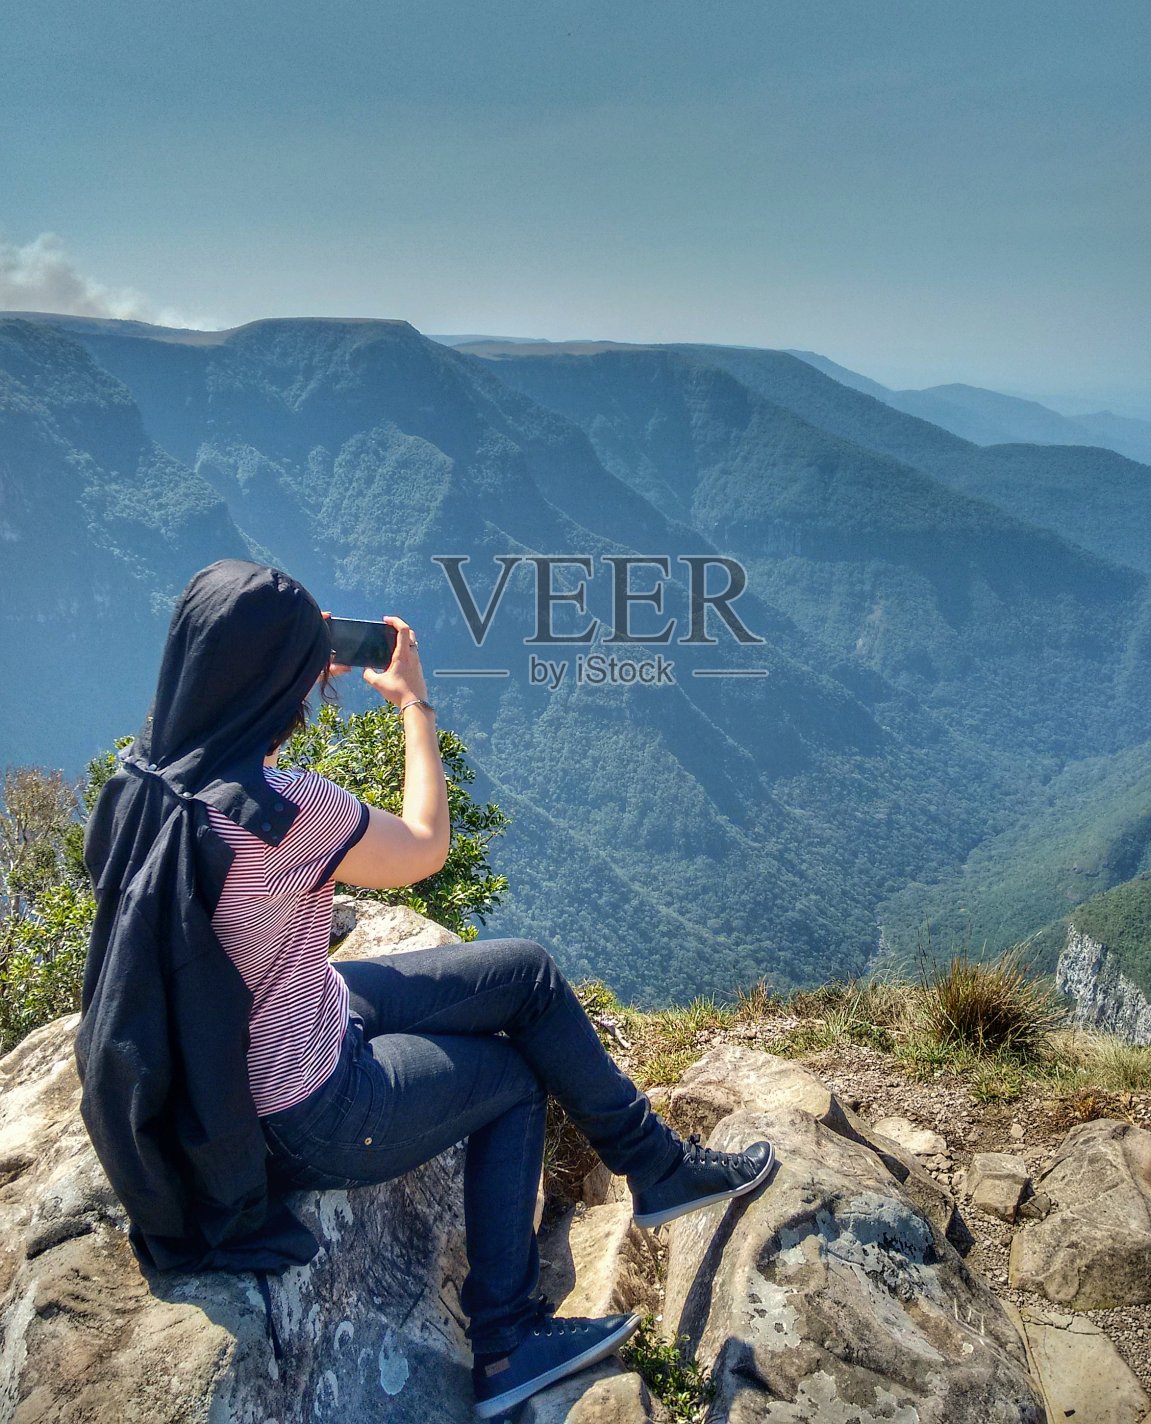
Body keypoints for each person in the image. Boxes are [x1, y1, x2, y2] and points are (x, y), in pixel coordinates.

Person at [78, 559, 775, 1421]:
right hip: (306, 1108)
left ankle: (659, 1169)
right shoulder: (287, 812)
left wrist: (279, 662)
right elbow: (423, 845)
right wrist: (413, 703)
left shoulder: (141, 783)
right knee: (513, 1080)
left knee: (525, 972)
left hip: (256, 1042)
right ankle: (506, 1341)